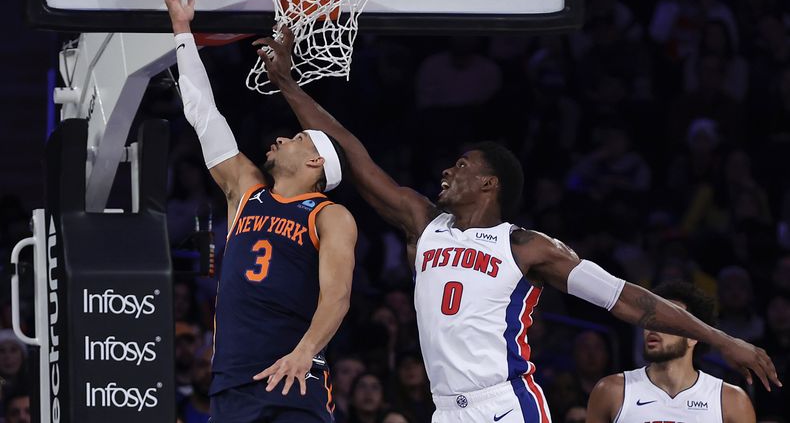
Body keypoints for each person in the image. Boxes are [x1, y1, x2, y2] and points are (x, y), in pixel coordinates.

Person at [258, 26, 781, 422]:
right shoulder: (424, 222)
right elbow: (353, 154)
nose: (448, 170)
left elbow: (633, 301)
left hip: (505, 405)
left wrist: (724, 340)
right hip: (445, 408)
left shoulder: (528, 248)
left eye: (462, 166)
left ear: (491, 185)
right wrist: (286, 83)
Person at [159, 0, 358, 423]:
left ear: (316, 165)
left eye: (297, 139)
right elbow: (204, 115)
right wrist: (182, 29)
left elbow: (337, 296)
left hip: (293, 378)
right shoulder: (246, 190)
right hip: (231, 382)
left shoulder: (330, 215)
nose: (283, 140)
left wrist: (305, 352)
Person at [587, 281, 757, 422]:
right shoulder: (611, 391)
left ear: (693, 336)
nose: (652, 327)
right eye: (649, 319)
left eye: (665, 321)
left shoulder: (732, 400)